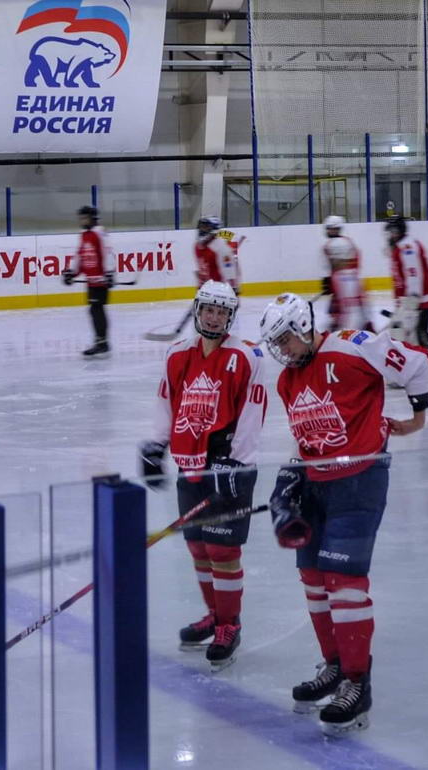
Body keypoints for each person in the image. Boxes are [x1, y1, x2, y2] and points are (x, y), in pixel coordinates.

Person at [258, 293, 428, 736]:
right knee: (313, 578)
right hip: (316, 486)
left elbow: (417, 365)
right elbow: (304, 439)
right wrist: (289, 479)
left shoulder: (353, 347)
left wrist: (417, 418)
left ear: (303, 328)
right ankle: (335, 666)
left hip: (360, 481)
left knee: (344, 582)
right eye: (276, 344)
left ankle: (357, 681)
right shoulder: (288, 381)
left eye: (285, 340)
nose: (282, 351)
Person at [139, 282, 269, 669]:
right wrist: (157, 445)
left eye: (221, 311)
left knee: (223, 550)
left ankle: (230, 624)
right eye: (208, 309)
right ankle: (215, 614)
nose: (214, 317)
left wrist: (237, 462)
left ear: (231, 316)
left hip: (228, 464)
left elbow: (253, 412)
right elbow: (167, 401)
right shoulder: (177, 354)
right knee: (198, 546)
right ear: (198, 310)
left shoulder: (247, 356)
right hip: (190, 463)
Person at [62, 204, 113, 358]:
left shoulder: (99, 233)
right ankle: (101, 342)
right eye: (81, 218)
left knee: (97, 309)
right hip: (91, 281)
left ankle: (102, 343)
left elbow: (108, 253)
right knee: (94, 310)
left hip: (100, 280)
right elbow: (80, 256)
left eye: (85, 218)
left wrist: (109, 273)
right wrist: (71, 273)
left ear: (93, 218)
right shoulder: (84, 235)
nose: (82, 221)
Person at [383, 216, 428, 349]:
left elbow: (413, 273)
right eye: (390, 231)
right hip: (411, 299)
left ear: (401, 230)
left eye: (394, 231)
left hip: (419, 299)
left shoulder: (407, 247)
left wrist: (413, 299)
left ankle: (423, 355)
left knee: (413, 335)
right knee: (409, 333)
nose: (391, 234)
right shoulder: (400, 246)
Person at [322, 216, 371, 332]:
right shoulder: (348, 242)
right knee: (357, 308)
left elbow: (335, 266)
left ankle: (340, 331)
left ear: (336, 229)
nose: (328, 231)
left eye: (330, 228)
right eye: (328, 228)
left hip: (344, 282)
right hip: (349, 280)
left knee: (344, 311)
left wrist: (330, 280)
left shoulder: (330, 245)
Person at [194, 216, 241, 294]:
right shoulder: (197, 246)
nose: (202, 230)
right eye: (201, 227)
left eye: (205, 227)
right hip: (205, 291)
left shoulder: (221, 248)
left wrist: (233, 289)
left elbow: (230, 271)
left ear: (213, 230)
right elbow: (202, 269)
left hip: (220, 292)